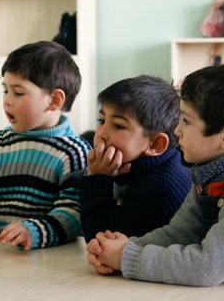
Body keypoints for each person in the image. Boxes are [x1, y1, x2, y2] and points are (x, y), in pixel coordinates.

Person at [86, 63, 224, 299]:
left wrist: (125, 257)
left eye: (186, 121)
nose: (177, 130)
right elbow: (179, 233)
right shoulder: (210, 175)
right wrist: (118, 249)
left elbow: (208, 266)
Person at [0, 41, 90, 250]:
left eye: (18, 92)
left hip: (48, 260)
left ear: (55, 100)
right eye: (5, 90)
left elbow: (72, 213)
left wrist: (33, 231)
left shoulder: (75, 153)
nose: (7, 100)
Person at [79, 76, 192, 241]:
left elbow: (100, 241)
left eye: (118, 125)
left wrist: (97, 178)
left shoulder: (157, 190)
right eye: (101, 120)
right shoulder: (140, 166)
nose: (101, 133)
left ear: (155, 144)